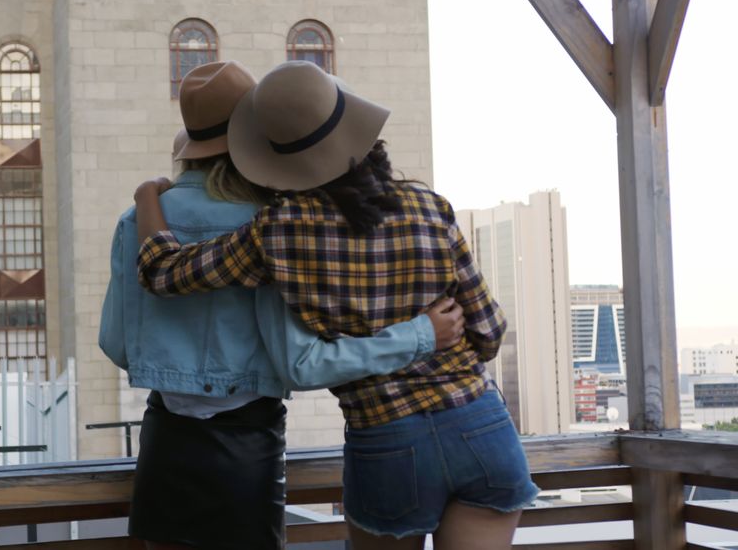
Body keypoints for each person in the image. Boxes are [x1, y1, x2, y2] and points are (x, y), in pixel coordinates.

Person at [133, 61, 538, 550]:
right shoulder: (429, 206)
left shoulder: (279, 229)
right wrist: (432, 332)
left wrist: (146, 195)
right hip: (481, 426)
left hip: (387, 439)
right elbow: (489, 333)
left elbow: (162, 273)